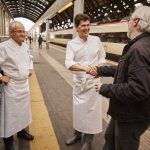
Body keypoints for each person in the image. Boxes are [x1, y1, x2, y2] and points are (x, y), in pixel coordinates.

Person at [89, 6, 150, 150]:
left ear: (135, 22)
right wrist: (100, 70)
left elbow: (138, 89)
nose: (127, 23)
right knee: (110, 140)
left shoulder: (138, 49)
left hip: (131, 115)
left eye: (129, 20)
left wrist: (105, 88)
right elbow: (126, 70)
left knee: (123, 146)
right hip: (125, 111)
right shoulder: (142, 45)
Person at [65, 13, 106, 150]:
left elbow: (102, 57)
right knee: (79, 111)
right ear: (76, 27)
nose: (86, 28)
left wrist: (97, 67)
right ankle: (77, 134)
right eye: (83, 25)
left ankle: (88, 140)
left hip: (93, 83)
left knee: (92, 112)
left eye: (88, 25)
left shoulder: (96, 40)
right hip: (79, 84)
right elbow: (68, 63)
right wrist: (85, 68)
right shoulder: (72, 44)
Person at [0, 21, 34, 150]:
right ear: (11, 33)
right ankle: (8, 141)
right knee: (10, 114)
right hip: (12, 86)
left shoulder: (25, 45)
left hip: (24, 85)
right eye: (19, 31)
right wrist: (1, 77)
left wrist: (30, 68)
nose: (23, 34)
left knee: (23, 112)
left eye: (23, 31)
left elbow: (29, 58)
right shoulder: (3, 47)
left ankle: (21, 132)